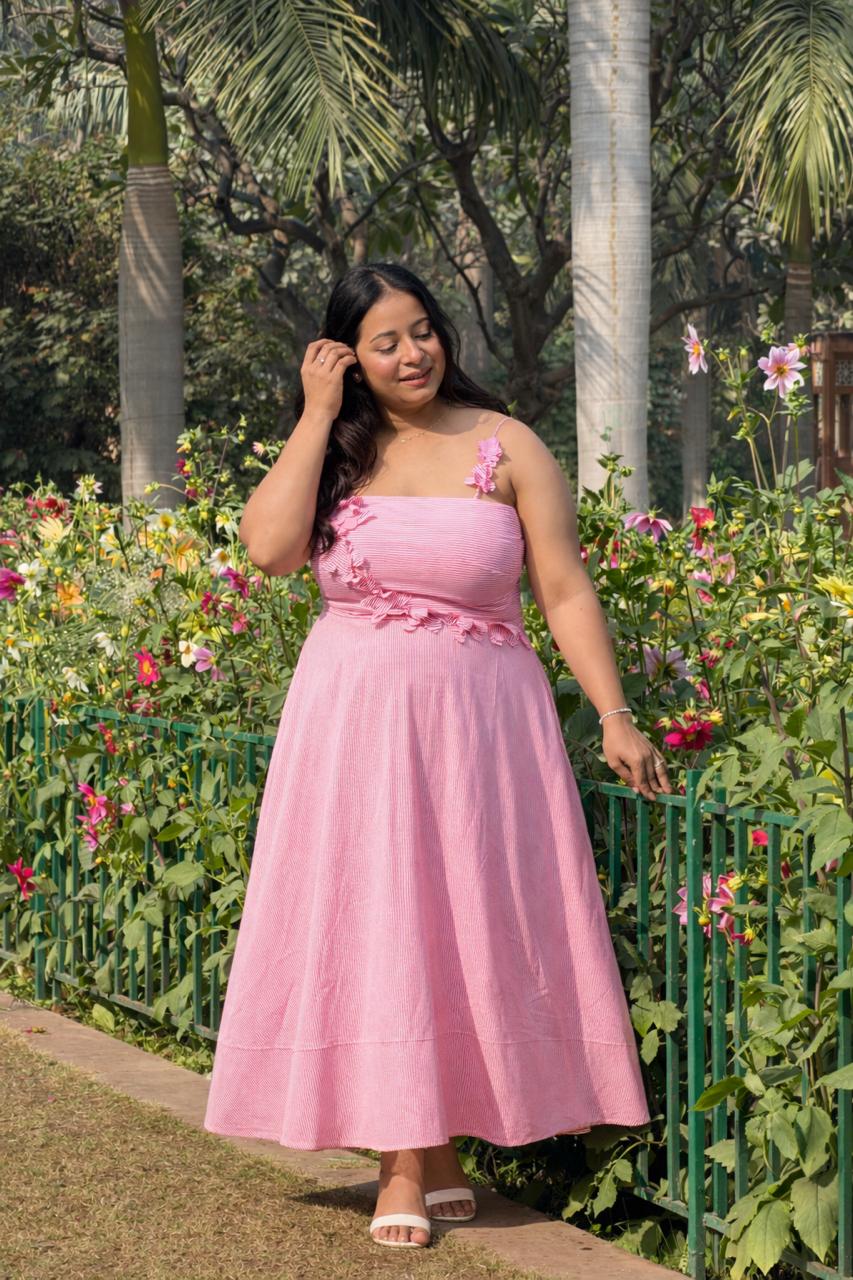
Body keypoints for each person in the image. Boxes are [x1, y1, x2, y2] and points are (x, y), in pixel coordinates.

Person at [202, 262, 672, 1250]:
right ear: (348, 356)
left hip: (480, 729)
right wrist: (316, 410)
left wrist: (615, 711)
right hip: (353, 726)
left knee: (460, 922)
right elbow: (268, 549)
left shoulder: (505, 444)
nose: (411, 352)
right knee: (378, 920)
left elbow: (564, 587)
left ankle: (437, 1152)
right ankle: (405, 1159)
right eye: (384, 340)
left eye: (421, 330)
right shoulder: (335, 450)